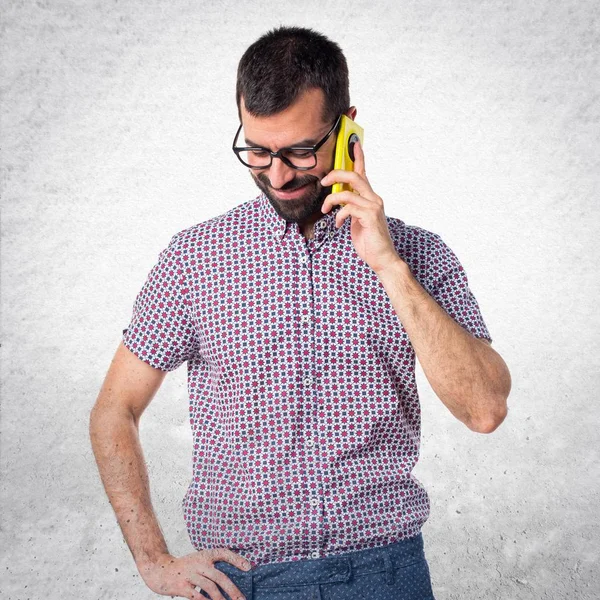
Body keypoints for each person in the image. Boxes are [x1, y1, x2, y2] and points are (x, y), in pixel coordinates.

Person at [90, 25, 511, 600]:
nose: (279, 174)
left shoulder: (421, 257)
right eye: (258, 151)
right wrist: (153, 559)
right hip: (237, 583)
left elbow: (485, 409)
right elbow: (115, 409)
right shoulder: (195, 258)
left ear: (347, 129)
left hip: (381, 578)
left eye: (300, 151)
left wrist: (388, 264)